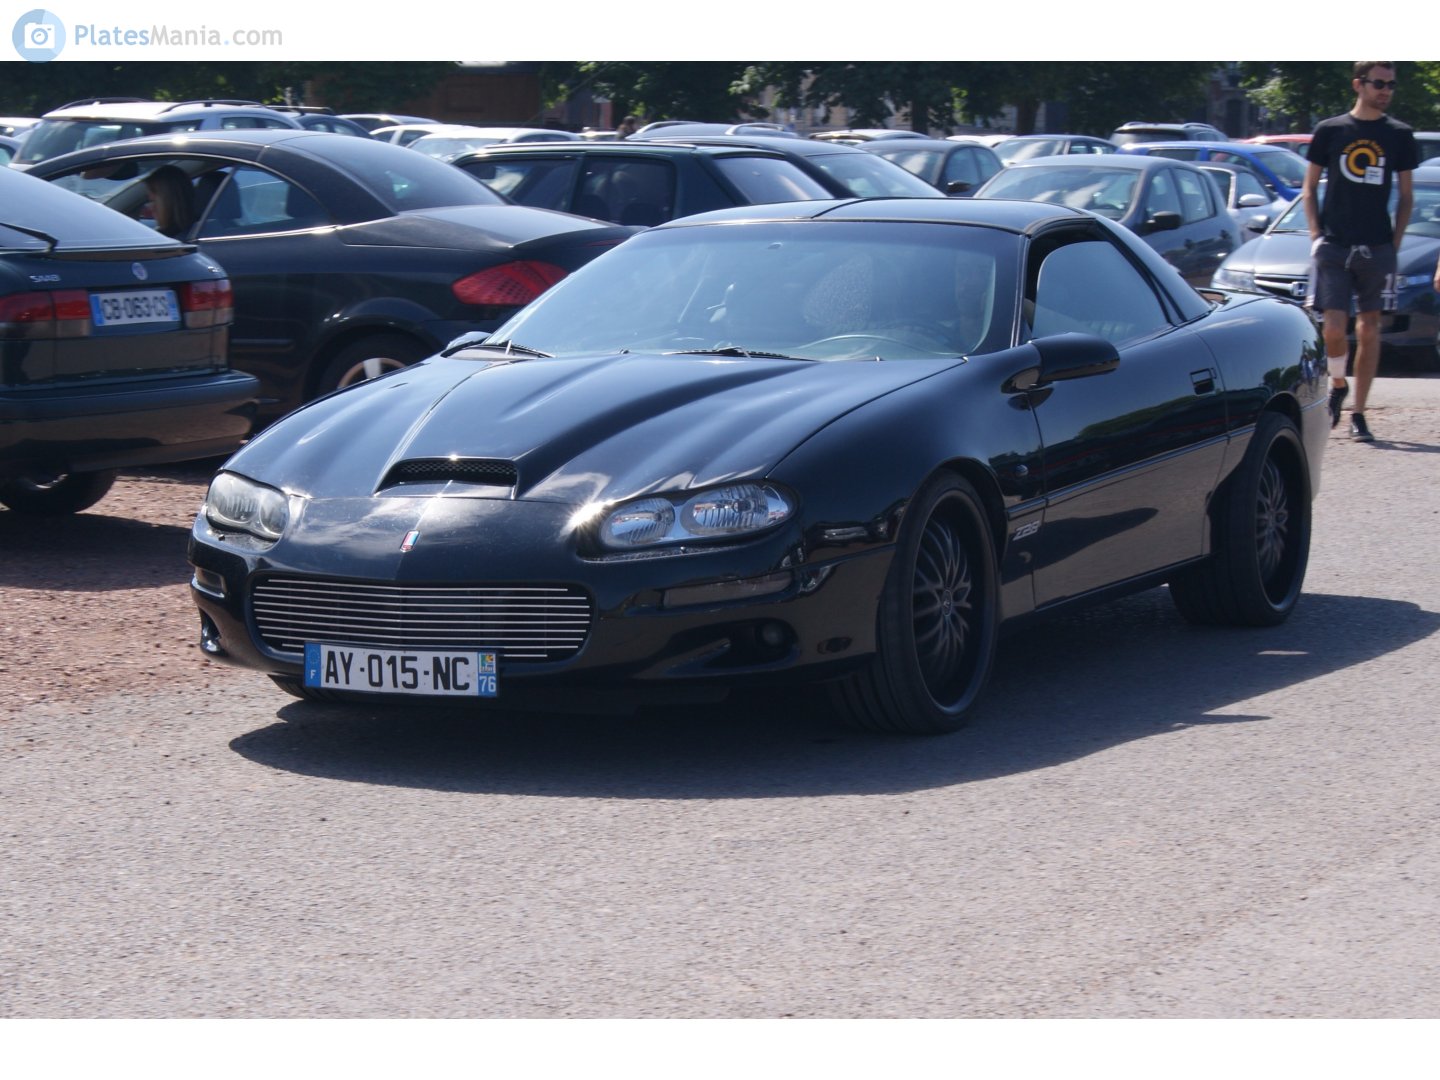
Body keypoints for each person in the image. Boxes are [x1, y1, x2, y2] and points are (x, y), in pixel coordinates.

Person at [1303, 62, 1419, 442]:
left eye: (1391, 85)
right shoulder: (1330, 130)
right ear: (1359, 85)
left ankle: (1359, 413)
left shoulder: (1399, 135)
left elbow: (1405, 196)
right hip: (1334, 245)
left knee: (1369, 330)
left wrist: (1395, 244)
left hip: (1378, 247)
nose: (1386, 91)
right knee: (1334, 330)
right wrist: (1316, 235)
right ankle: (1338, 383)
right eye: (1379, 83)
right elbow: (1309, 189)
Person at [143, 165, 197, 239]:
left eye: (153, 201)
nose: (150, 208)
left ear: (169, 200)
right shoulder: (196, 231)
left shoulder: (176, 241)